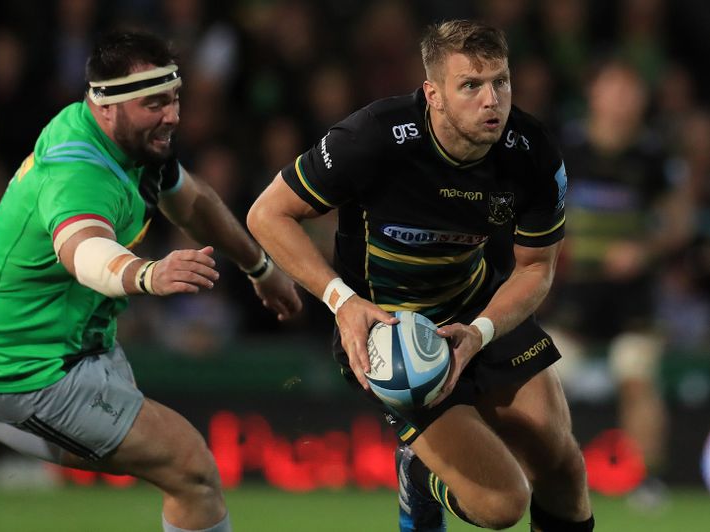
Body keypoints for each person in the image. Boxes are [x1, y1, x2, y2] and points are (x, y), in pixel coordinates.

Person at [0, 29, 301, 532]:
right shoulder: (77, 171)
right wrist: (149, 274)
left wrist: (259, 267)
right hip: (24, 361)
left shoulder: (130, 142)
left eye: (175, 100)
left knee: (131, 456)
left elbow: (192, 201)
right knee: (189, 469)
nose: (173, 116)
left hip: (74, 342)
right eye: (155, 103)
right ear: (107, 106)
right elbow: (85, 253)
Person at [248, 20, 593, 531]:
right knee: (501, 507)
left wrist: (478, 333)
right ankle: (420, 477)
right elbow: (266, 215)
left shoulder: (532, 152)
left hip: (478, 309)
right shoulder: (371, 139)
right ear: (433, 93)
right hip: (388, 334)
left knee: (561, 464)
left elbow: (536, 268)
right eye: (470, 85)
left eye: (500, 81)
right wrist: (342, 302)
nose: (491, 101)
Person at [546, 59, 688, 507]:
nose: (622, 99)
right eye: (613, 89)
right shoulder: (565, 147)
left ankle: (648, 478)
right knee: (544, 379)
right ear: (594, 94)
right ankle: (539, 473)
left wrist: (643, 250)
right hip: (572, 293)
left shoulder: (654, 155)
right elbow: (530, 204)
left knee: (637, 375)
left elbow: (680, 219)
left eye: (631, 91)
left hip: (632, 297)